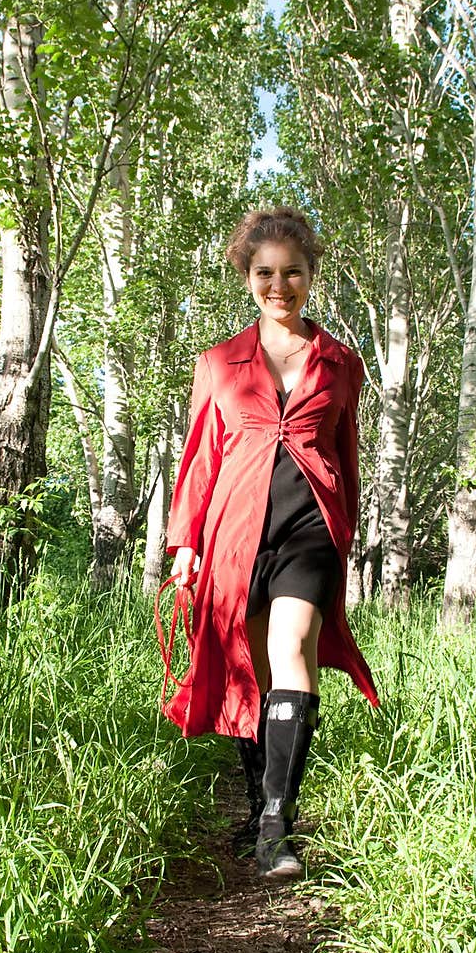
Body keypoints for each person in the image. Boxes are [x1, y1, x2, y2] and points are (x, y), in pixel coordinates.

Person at [161, 206, 379, 880]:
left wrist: (347, 526)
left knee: (291, 650)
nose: (279, 285)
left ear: (312, 275)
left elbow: (348, 451)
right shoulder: (219, 362)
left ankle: (277, 825)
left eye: (293, 273)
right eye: (265, 273)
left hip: (310, 526)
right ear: (247, 276)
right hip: (235, 528)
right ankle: (257, 803)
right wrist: (185, 543)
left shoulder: (342, 362)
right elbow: (201, 456)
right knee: (250, 665)